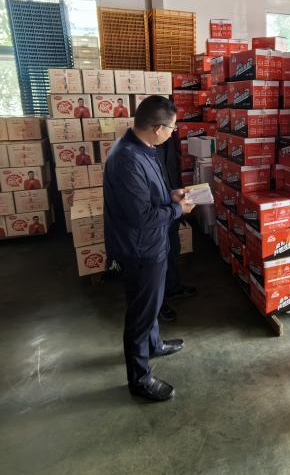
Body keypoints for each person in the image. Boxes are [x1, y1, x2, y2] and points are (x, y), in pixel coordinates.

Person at [104, 95, 195, 402]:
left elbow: (148, 192)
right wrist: (178, 209)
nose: (173, 133)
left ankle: (154, 345)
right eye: (172, 128)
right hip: (139, 249)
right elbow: (142, 217)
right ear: (157, 128)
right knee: (140, 315)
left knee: (151, 302)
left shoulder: (142, 147)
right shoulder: (127, 159)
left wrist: (172, 194)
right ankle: (140, 379)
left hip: (151, 243)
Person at [155, 133, 196, 323]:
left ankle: (173, 287)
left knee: (173, 248)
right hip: (156, 214)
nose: (173, 130)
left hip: (171, 204)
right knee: (158, 259)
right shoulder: (139, 153)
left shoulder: (168, 140)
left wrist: (176, 195)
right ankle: (158, 303)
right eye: (171, 126)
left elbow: (170, 169)